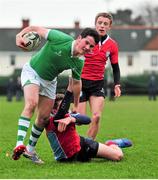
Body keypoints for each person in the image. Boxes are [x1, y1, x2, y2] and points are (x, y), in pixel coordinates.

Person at [12, 26, 100, 163]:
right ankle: (19, 144)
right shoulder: (61, 38)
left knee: (44, 118)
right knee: (32, 104)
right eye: (86, 43)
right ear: (79, 39)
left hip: (50, 82)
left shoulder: (79, 61)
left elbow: (77, 83)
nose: (88, 47)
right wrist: (19, 35)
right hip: (33, 72)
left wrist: (76, 104)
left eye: (91, 46)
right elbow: (36, 28)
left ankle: (30, 149)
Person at [44, 78, 126, 163]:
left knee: (118, 156)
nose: (65, 109)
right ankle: (106, 148)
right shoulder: (52, 120)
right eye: (61, 107)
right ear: (54, 110)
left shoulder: (68, 115)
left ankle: (112, 144)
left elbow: (87, 120)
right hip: (67, 157)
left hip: (83, 145)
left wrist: (71, 119)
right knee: (90, 159)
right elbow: (63, 107)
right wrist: (70, 88)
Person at [78, 12, 121, 140]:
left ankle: (88, 145)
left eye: (105, 24)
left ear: (109, 26)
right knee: (80, 119)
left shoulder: (112, 45)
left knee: (96, 116)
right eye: (100, 23)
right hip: (80, 83)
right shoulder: (86, 40)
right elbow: (73, 56)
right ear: (95, 24)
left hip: (97, 84)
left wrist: (117, 84)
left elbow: (115, 67)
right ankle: (71, 142)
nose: (102, 26)